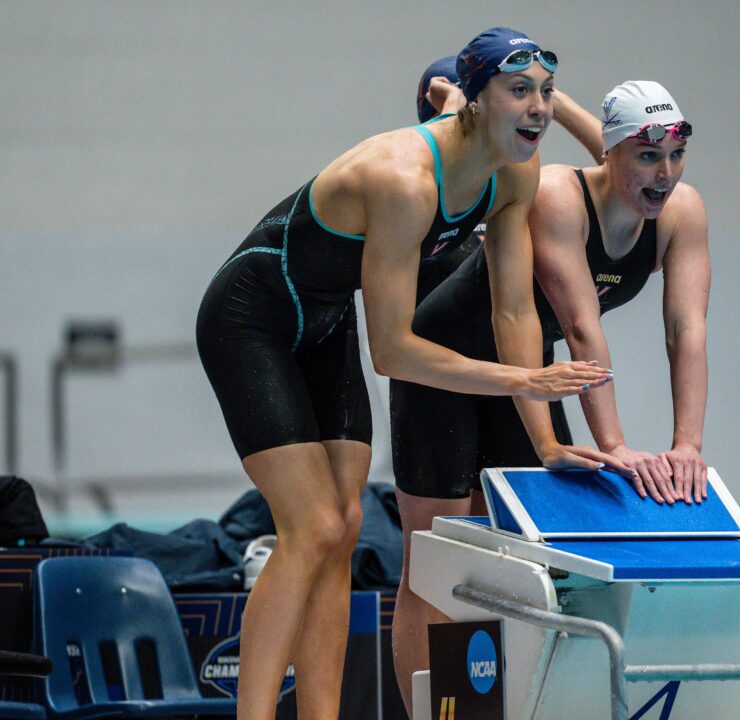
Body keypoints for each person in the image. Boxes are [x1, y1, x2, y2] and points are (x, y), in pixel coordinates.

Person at [196, 26, 629, 720]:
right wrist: (516, 381)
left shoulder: (512, 176)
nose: (540, 108)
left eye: (547, 93)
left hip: (323, 321)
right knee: (310, 527)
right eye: (520, 91)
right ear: (473, 102)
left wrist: (545, 440)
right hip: (252, 317)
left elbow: (514, 310)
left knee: (341, 528)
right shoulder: (405, 180)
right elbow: (392, 352)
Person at [390, 79, 710, 712]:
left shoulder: (682, 212)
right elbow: (581, 327)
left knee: (510, 557)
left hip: (528, 372)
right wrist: (612, 443)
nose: (664, 174)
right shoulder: (558, 195)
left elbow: (687, 330)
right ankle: (430, 713)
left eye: (676, 155)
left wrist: (688, 444)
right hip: (447, 361)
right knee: (432, 557)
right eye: (647, 156)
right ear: (609, 153)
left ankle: (492, 706)